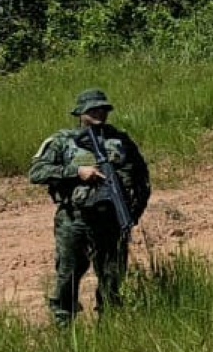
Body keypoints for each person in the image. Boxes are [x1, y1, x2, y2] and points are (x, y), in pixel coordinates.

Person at [28, 88, 151, 325]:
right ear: (80, 113)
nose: (99, 113)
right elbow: (36, 172)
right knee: (68, 275)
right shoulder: (63, 141)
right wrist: (76, 172)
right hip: (76, 219)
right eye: (93, 109)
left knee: (112, 276)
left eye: (103, 109)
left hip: (112, 221)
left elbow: (141, 178)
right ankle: (64, 325)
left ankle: (110, 325)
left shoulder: (121, 141)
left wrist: (134, 213)